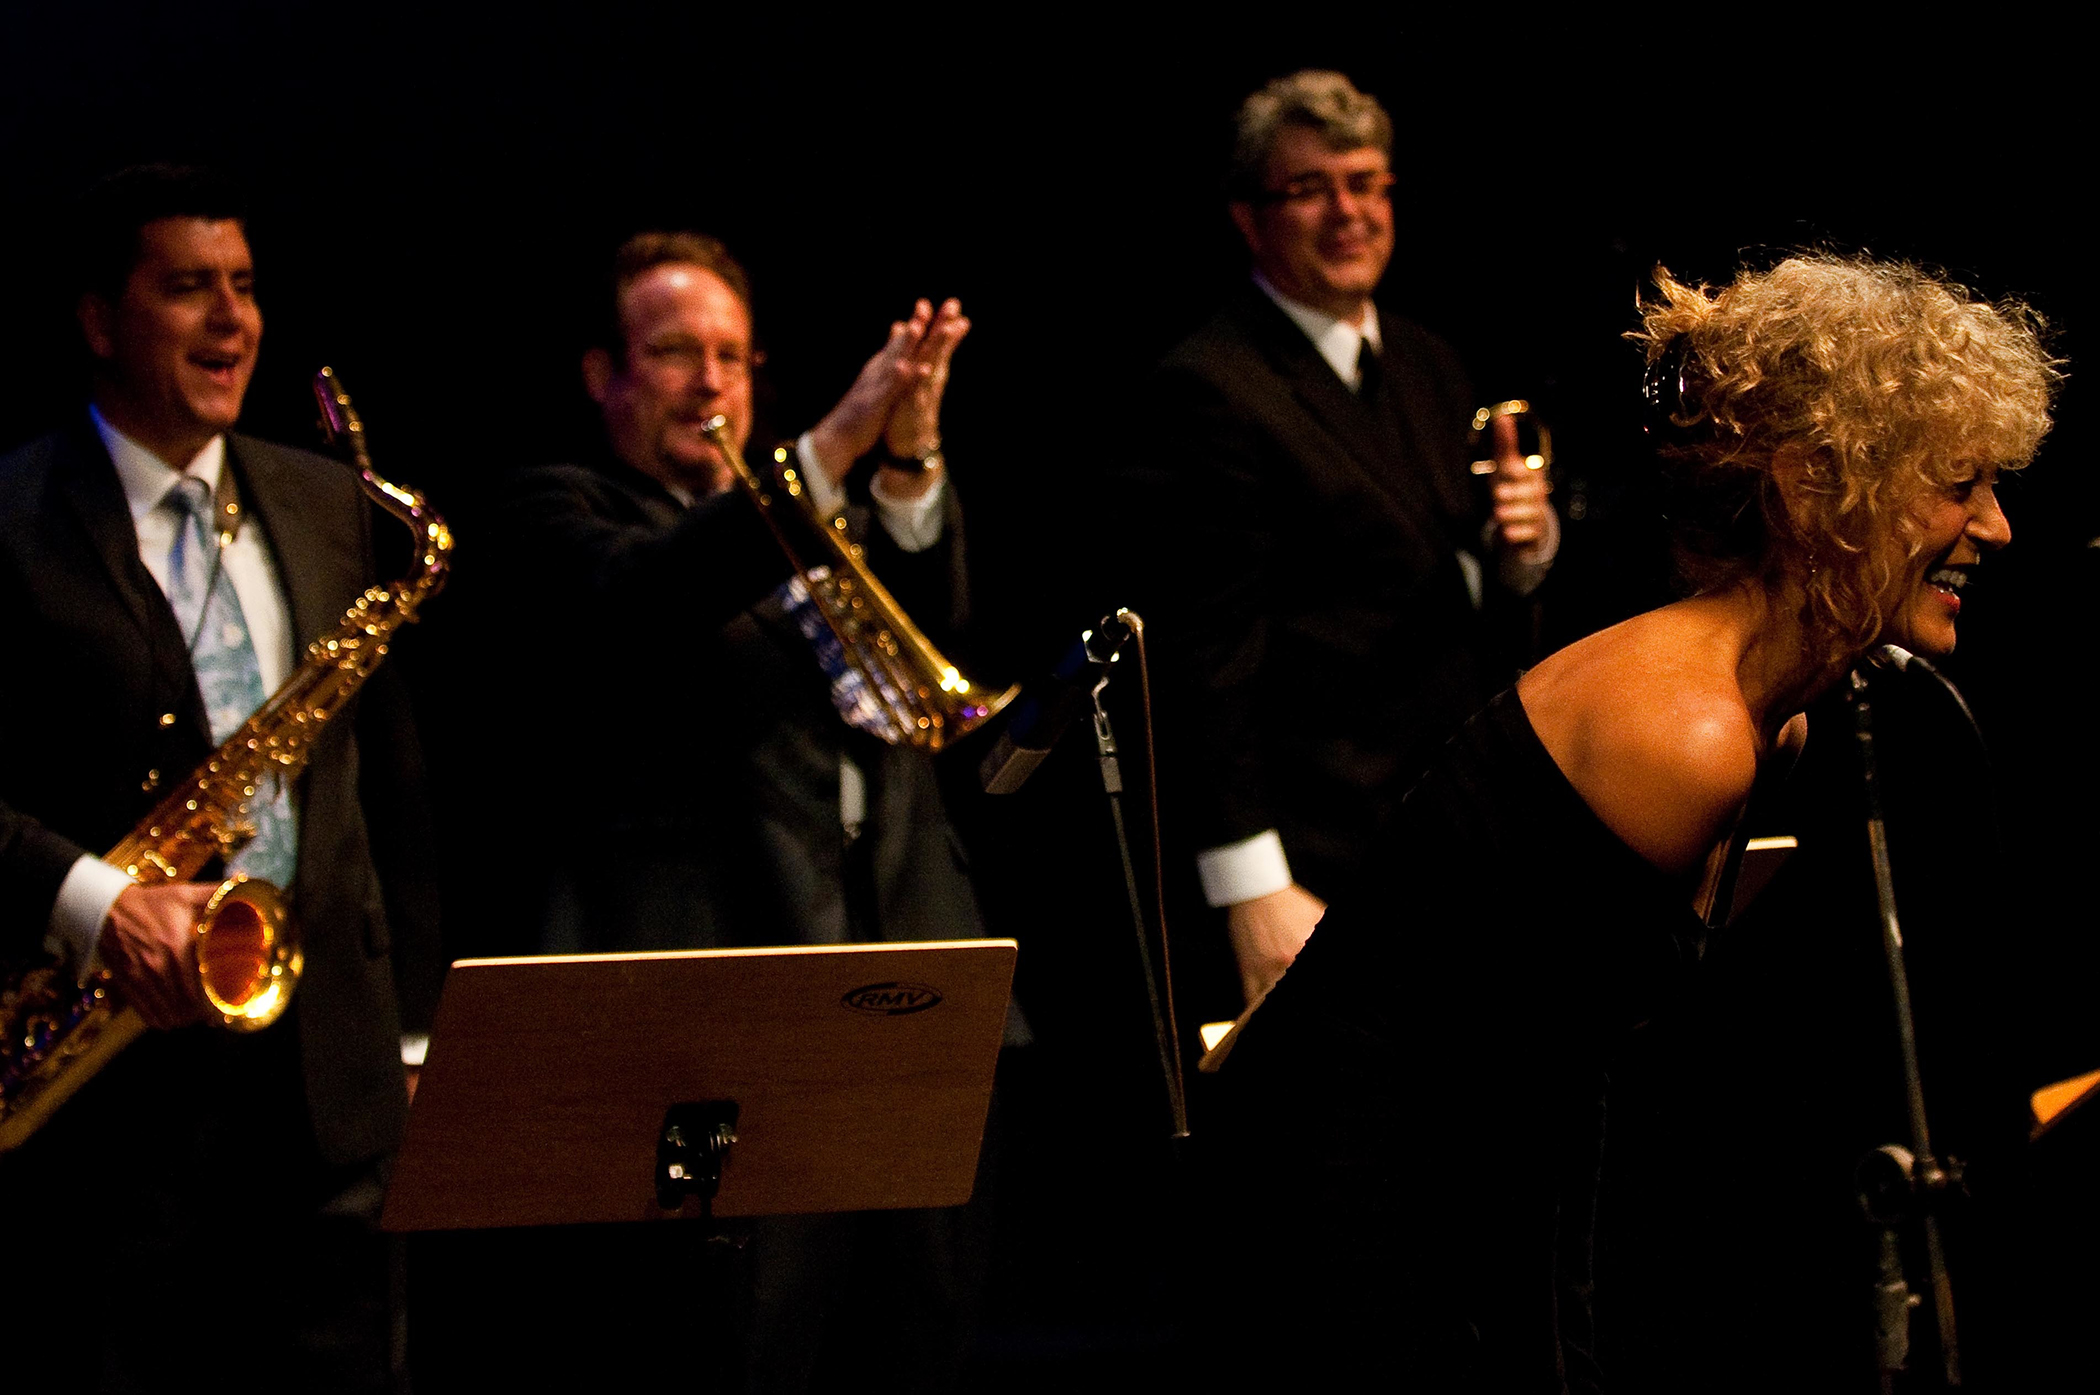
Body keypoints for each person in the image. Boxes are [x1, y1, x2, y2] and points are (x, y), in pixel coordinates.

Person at [1208, 254, 2058, 1388]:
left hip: (1421, 1202)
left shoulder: (1773, 721)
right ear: (1814, 486)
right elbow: (1506, 1127)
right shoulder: (1687, 732)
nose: (1995, 529)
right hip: (1348, 1224)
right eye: (1959, 485)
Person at [459, 231, 995, 1391]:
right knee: (726, 1345)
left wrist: (906, 460)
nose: (713, 384)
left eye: (735, 358)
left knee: (916, 1333)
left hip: (891, 991)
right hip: (710, 1022)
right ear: (602, 373)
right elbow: (647, 604)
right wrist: (830, 450)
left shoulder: (797, 516)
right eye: (675, 354)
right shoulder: (559, 509)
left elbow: (923, 661)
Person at [0, 165, 438, 1392]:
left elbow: (388, 790)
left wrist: (409, 1034)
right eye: (187, 288)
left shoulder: (323, 498)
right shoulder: (11, 514)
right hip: (110, 1118)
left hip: (332, 1107)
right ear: (99, 319)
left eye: (243, 287)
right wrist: (91, 900)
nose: (233, 322)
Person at [1130, 70, 1559, 1011]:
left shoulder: (1429, 361)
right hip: (1315, 855)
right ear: (1249, 216)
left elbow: (1451, 587)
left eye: (1366, 183)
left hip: (1449, 826)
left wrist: (1523, 553)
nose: (1348, 212)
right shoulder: (1211, 386)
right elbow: (1207, 655)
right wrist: (1252, 883)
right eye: (1311, 188)